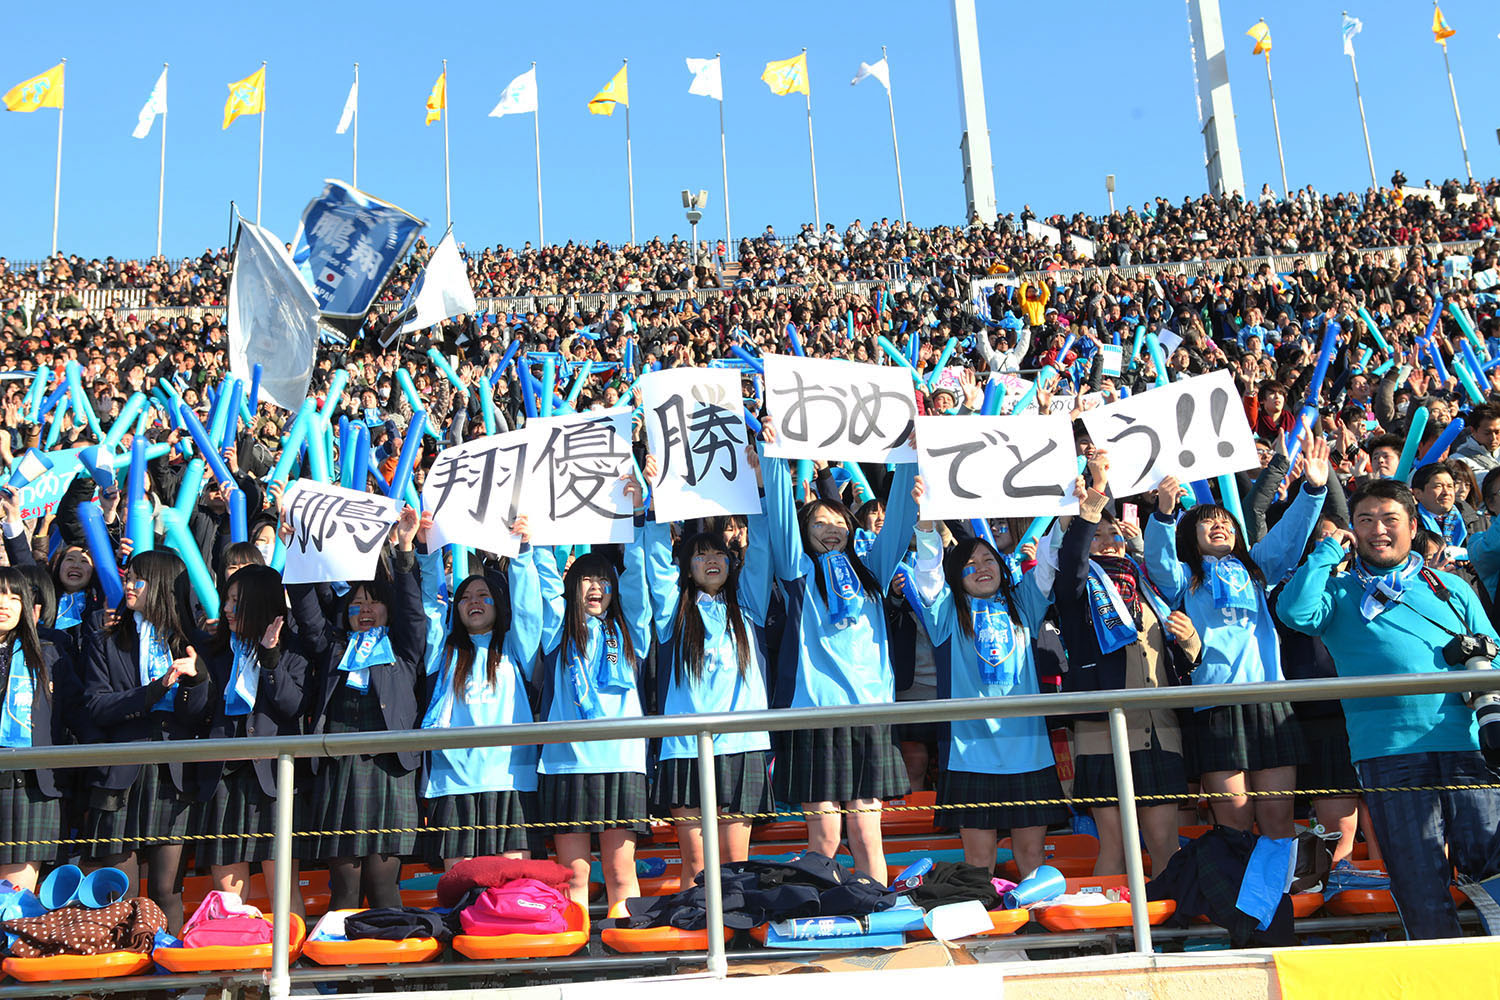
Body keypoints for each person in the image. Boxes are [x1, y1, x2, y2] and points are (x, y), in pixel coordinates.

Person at [1278, 478, 1500, 940]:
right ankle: (1439, 968)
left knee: (1492, 866)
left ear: (1412, 526)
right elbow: (1294, 612)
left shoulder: (1450, 587)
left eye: (1389, 519)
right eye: (1365, 520)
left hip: (1467, 745)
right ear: (1353, 530)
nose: (1378, 530)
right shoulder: (1337, 592)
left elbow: (1495, 655)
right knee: (1417, 875)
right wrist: (1326, 551)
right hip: (1388, 751)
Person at [1144, 431, 1331, 838]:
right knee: (1234, 823)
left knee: (1278, 820)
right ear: (1189, 535)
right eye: (1208, 521)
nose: (1219, 526)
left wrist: (1313, 490)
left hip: (1269, 698)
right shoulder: (1185, 578)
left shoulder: (1257, 568)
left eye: (1226, 522)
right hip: (1216, 704)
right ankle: (1237, 883)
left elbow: (1288, 537)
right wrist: (1163, 514)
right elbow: (1158, 562)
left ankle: (1279, 881)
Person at [761, 426, 917, 884]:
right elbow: (780, 516)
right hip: (815, 713)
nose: (831, 530)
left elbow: (899, 520)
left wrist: (909, 459)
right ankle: (822, 909)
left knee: (868, 836)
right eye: (819, 523)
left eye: (839, 522)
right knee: (824, 838)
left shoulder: (873, 571)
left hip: (869, 712)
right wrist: (773, 454)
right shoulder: (797, 572)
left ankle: (875, 906)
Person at [910, 478, 1067, 877]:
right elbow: (928, 577)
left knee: (1031, 855)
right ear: (956, 575)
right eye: (970, 564)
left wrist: (1072, 509)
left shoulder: (1023, 603)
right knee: (978, 863)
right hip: (970, 756)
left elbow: (1049, 560)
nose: (981, 568)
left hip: (1029, 752)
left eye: (988, 560)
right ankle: (981, 920)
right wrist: (926, 523)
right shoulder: (945, 613)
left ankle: (1032, 916)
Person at [1054, 452, 1198, 876]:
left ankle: (1168, 917)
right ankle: (1113, 920)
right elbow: (1073, 561)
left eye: (1113, 534)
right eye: (1096, 535)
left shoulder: (1150, 589)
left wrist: (1190, 640)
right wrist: (1095, 496)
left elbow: (1177, 660)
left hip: (1160, 732)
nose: (1107, 541)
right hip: (1105, 734)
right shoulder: (1076, 590)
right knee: (1115, 848)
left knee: (1165, 845)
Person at [642, 449, 773, 884]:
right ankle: (696, 926)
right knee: (696, 863)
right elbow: (656, 566)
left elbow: (763, 549)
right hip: (686, 746)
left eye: (718, 553)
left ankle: (733, 926)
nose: (711, 560)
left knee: (735, 864)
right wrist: (655, 502)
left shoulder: (748, 604)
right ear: (686, 567)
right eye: (699, 555)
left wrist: (760, 488)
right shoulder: (674, 613)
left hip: (741, 744)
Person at [290, 506, 424, 911]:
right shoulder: (333, 648)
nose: (365, 610)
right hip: (341, 768)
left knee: (383, 886)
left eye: (373, 602)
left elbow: (412, 609)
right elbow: (308, 613)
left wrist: (405, 550)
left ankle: (391, 952)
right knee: (344, 889)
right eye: (357, 603)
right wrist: (297, 549)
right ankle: (339, 952)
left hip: (389, 770)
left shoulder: (403, 649)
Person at [536, 478, 652, 910]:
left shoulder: (631, 630)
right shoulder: (558, 630)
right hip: (567, 763)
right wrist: (536, 535)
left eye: (603, 579)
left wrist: (638, 520)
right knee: (575, 876)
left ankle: (626, 942)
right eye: (586, 579)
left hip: (622, 760)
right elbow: (542, 582)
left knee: (621, 872)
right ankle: (578, 942)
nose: (595, 587)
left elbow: (639, 581)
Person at [82, 550, 211, 933]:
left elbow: (199, 714)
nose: (129, 585)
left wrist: (197, 680)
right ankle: (123, 966)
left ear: (162, 586)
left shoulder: (190, 642)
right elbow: (96, 706)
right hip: (120, 772)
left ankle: (165, 965)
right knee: (117, 892)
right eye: (128, 577)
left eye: (138, 579)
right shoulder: (106, 640)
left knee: (166, 889)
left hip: (173, 773)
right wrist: (154, 691)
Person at [420, 517, 543, 868]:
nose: (473, 602)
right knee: (462, 883)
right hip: (453, 782)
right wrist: (427, 551)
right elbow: (430, 609)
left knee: (511, 881)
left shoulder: (515, 647)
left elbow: (528, 612)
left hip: (510, 779)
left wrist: (522, 553)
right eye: (465, 598)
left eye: (483, 596)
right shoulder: (443, 652)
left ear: (497, 603)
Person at [195, 564, 307, 917]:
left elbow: (291, 706)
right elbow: (199, 711)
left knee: (283, 894)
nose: (227, 609)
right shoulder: (213, 651)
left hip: (273, 779)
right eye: (226, 600)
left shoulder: (292, 650)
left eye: (236, 601)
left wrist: (270, 656)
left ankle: (292, 952)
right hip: (224, 778)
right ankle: (236, 951)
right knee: (228, 900)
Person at [0, 568, 77, 891]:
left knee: (14, 899)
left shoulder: (49, 653)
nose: (4, 603)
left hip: (29, 783)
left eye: (14, 597)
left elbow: (78, 715)